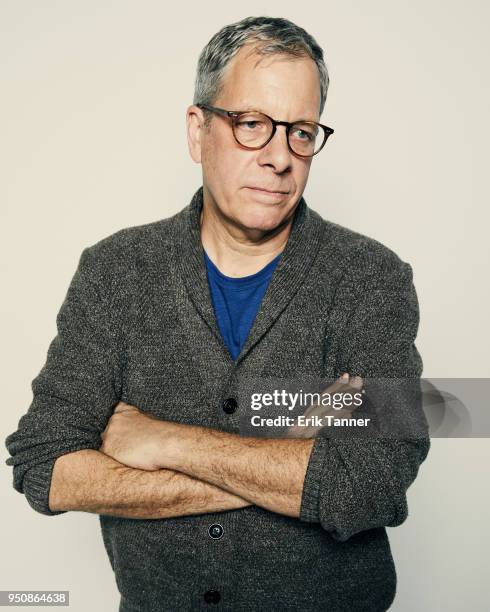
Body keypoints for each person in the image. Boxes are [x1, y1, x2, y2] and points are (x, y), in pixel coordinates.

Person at [4, 16, 430, 612]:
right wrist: (292, 464)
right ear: (198, 131)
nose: (280, 157)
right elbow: (44, 466)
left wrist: (167, 441)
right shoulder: (115, 271)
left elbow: (373, 484)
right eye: (252, 125)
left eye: (301, 132)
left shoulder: (372, 280)